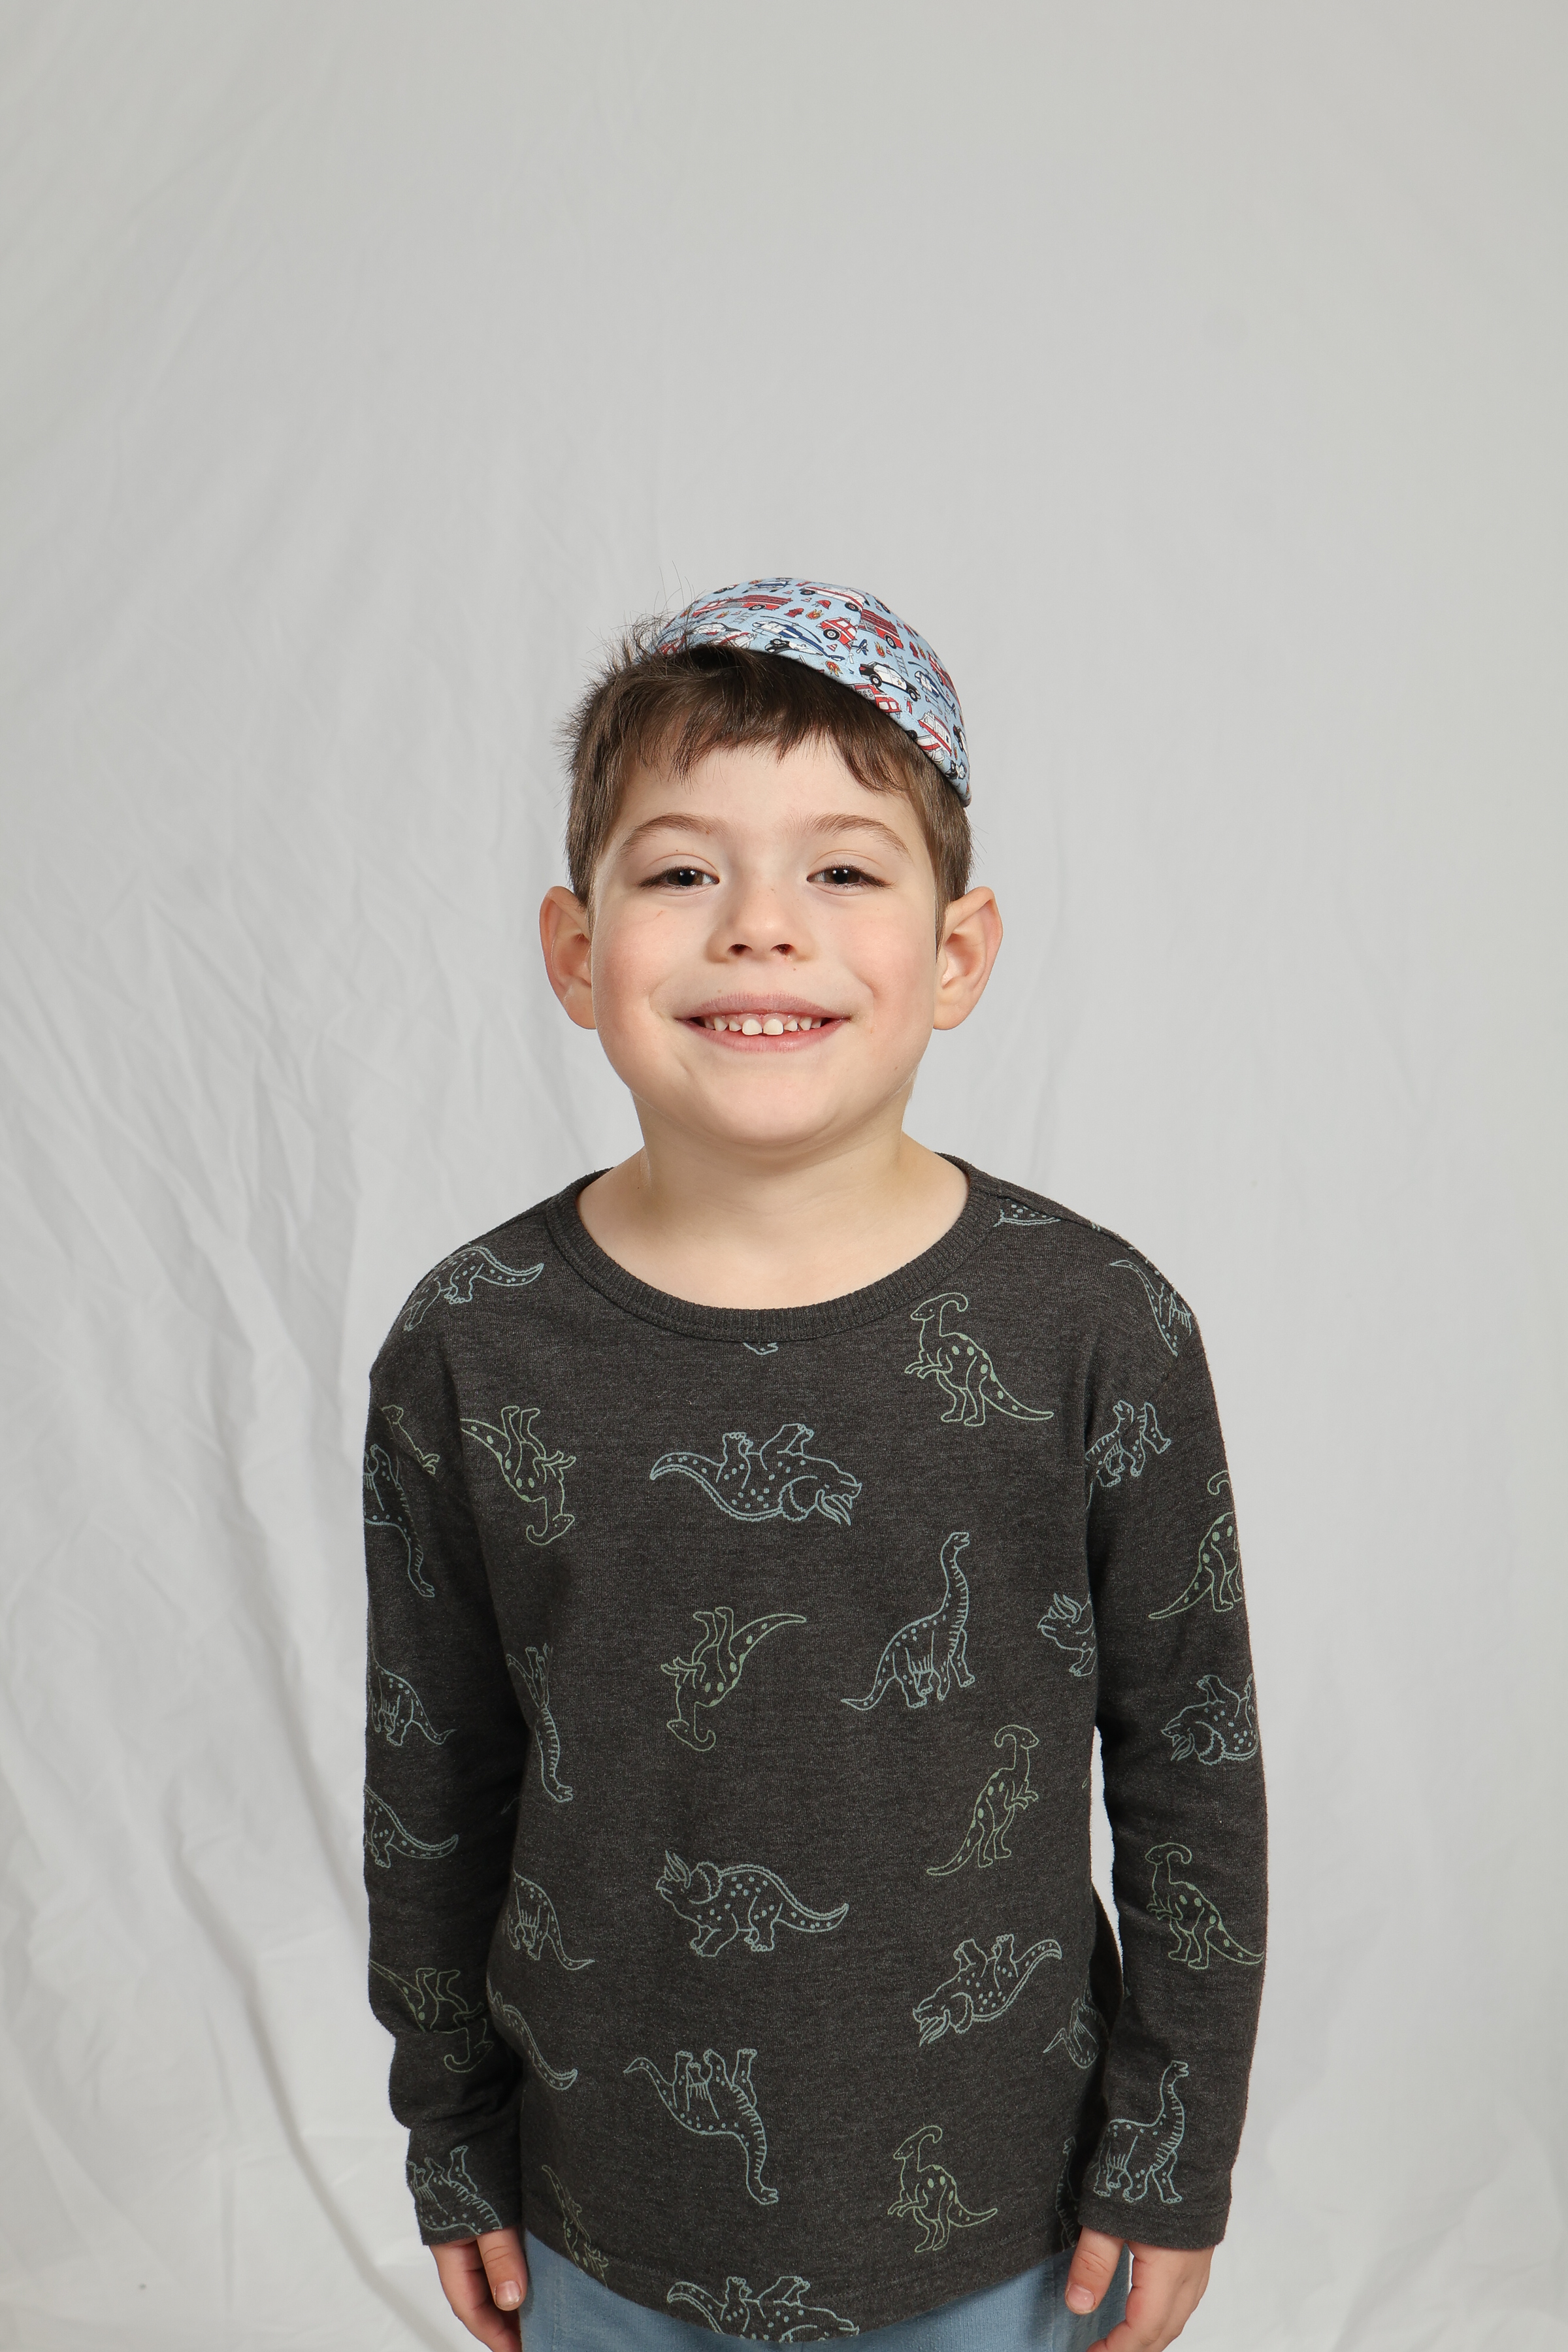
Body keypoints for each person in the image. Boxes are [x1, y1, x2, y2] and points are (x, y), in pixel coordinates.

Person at [361, 580, 1267, 2352]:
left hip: (1000, 2229)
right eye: (681, 872)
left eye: (843, 870)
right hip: (599, 2222)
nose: (761, 927)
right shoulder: (470, 1344)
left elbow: (1193, 1774)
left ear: (957, 954)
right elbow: (435, 1777)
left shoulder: (1097, 1327)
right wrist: (450, 2138)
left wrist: (1172, 2155)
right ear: (575, 951)